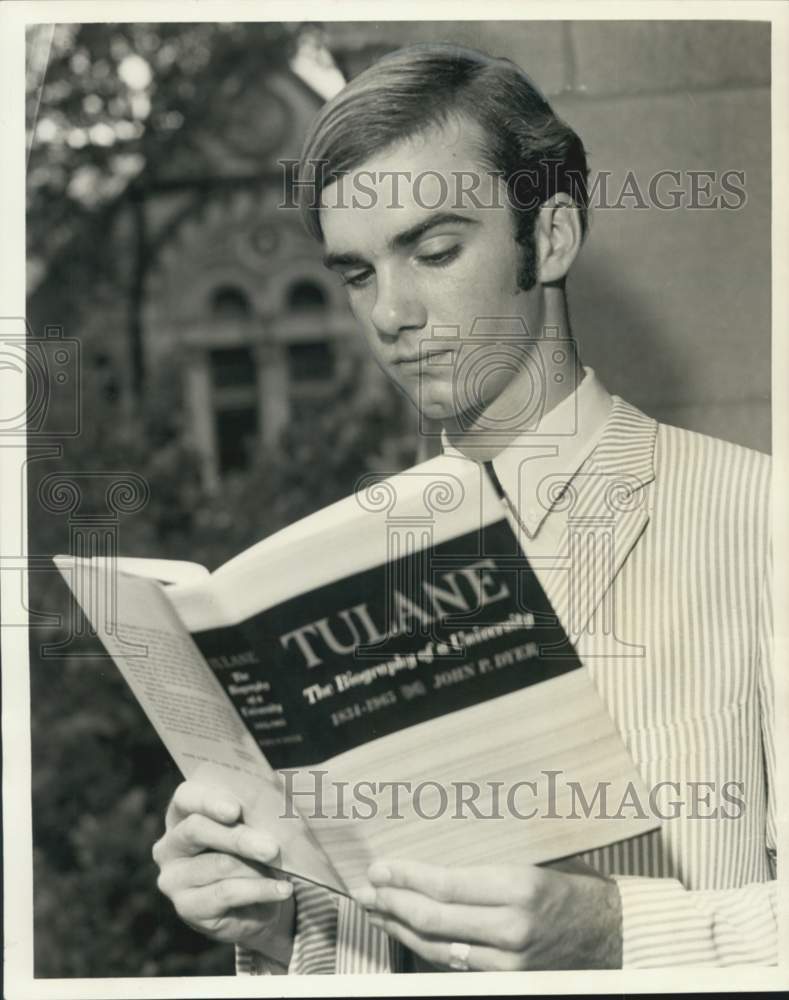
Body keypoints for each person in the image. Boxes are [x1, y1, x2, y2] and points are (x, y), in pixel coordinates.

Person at [152, 44, 776, 973]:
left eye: (434, 250)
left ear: (551, 237)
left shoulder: (762, 520)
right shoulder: (341, 573)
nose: (391, 313)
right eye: (356, 274)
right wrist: (283, 925)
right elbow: (393, 942)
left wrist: (615, 934)